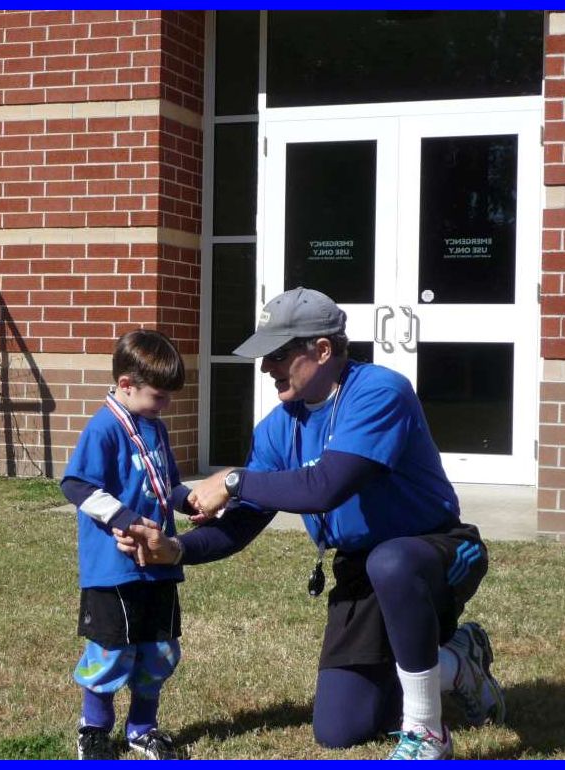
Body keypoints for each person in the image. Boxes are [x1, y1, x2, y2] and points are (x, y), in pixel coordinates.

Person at [115, 287, 505, 760]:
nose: (266, 368)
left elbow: (325, 486)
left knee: (391, 561)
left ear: (322, 350)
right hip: (362, 571)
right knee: (340, 728)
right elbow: (240, 526)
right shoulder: (278, 428)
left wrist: (235, 480)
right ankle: (455, 661)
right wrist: (175, 549)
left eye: (278, 355)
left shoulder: (380, 391)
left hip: (433, 554)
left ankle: (426, 731)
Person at [61, 328, 197, 760]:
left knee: (158, 650)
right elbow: (77, 484)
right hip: (114, 568)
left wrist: (189, 500)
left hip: (157, 563)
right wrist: (122, 517)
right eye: (159, 396)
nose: (166, 405)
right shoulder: (104, 428)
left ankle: (142, 728)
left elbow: (167, 484)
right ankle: (95, 729)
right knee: (112, 652)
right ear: (126, 385)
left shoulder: (154, 427)